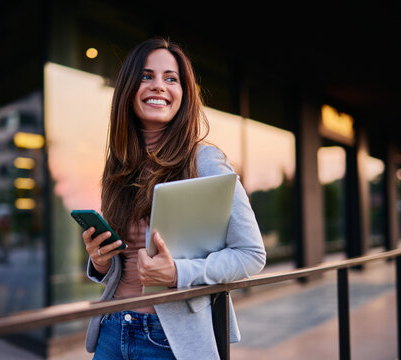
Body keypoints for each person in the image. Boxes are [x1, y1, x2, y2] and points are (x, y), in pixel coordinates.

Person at [82, 37, 266, 360]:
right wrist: (100, 261)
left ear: (184, 92)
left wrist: (178, 273)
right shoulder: (119, 165)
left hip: (168, 341)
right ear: (128, 88)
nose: (159, 86)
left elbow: (251, 254)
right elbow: (126, 263)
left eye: (171, 78)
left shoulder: (204, 161)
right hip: (112, 329)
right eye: (146, 76)